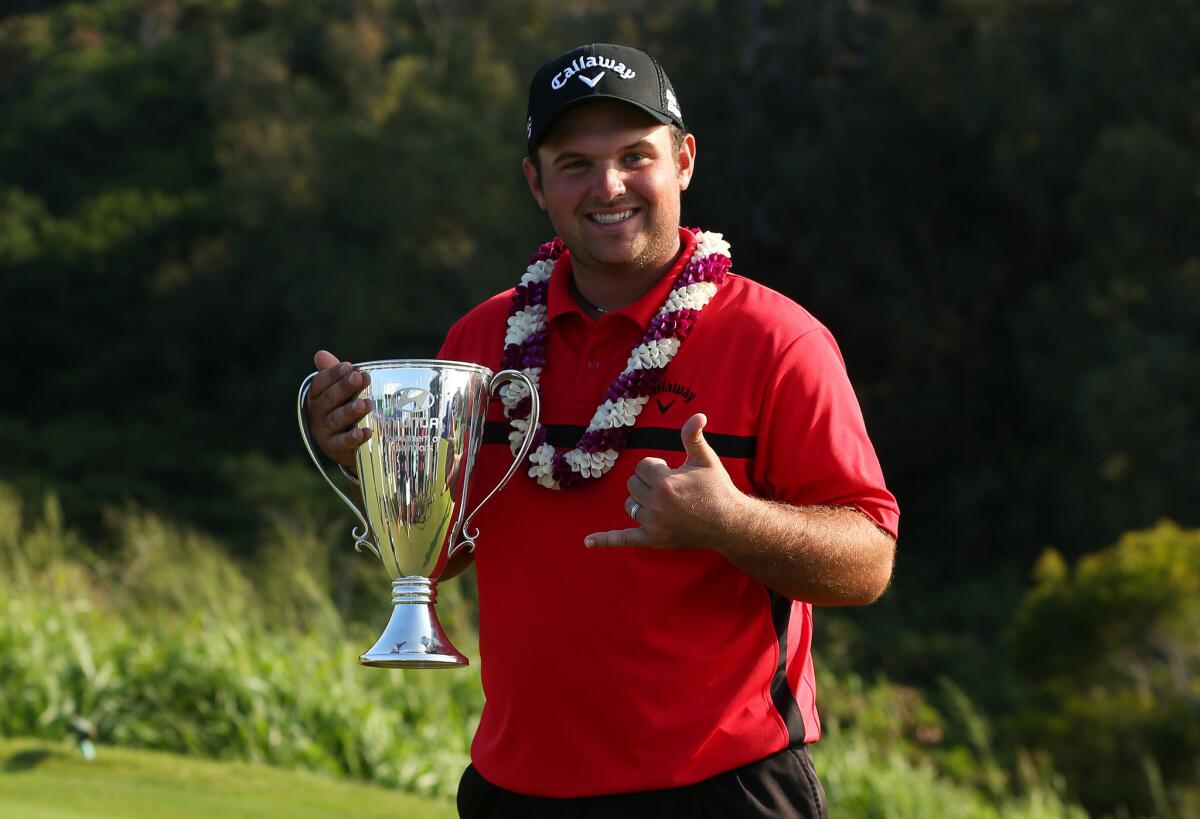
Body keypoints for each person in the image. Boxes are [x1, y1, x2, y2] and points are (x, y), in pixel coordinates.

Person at [304, 43, 898, 819]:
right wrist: (364, 458)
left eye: (635, 156)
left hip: (720, 793)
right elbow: (440, 553)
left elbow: (869, 560)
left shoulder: (780, 341)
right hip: (517, 791)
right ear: (535, 182)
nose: (608, 186)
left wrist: (731, 521)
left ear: (684, 162)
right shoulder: (480, 343)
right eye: (575, 163)